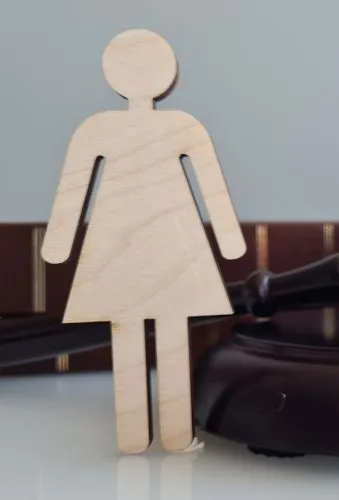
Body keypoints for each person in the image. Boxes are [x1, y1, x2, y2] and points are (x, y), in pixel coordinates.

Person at [41, 29, 246, 454]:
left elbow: (210, 183)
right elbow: (75, 186)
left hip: (156, 238)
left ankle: (162, 433)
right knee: (144, 329)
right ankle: (153, 434)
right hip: (130, 241)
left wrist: (58, 243)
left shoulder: (119, 127)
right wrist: (229, 240)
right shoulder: (149, 127)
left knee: (150, 329)